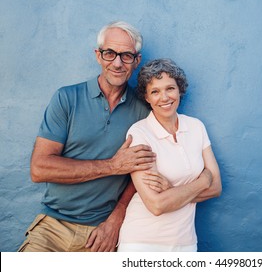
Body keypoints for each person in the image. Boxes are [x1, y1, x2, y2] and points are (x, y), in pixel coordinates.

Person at [18, 21, 167, 252]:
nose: (117, 63)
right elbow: (40, 169)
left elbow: (144, 171)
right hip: (52, 226)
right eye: (110, 53)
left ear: (136, 61)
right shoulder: (67, 98)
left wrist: (117, 218)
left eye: (126, 56)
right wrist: (112, 166)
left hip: (103, 232)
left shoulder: (144, 110)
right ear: (98, 56)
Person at [117, 58, 222, 252]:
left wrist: (172, 190)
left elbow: (216, 188)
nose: (164, 97)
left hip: (185, 242)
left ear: (179, 89)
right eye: (155, 91)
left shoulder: (196, 127)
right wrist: (203, 180)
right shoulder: (140, 133)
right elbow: (156, 205)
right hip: (142, 243)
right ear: (146, 97)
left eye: (170, 88)